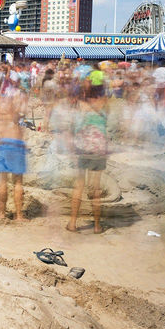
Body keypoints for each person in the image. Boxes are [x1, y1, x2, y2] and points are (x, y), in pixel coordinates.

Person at [67, 83, 109, 234]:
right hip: (99, 150)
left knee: (79, 185)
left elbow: (71, 128)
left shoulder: (79, 107)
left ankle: (72, 224)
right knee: (96, 188)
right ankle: (97, 226)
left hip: (83, 149)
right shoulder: (104, 107)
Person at [0, 88, 28, 221]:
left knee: (2, 181)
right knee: (18, 182)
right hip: (16, 142)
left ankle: (2, 213)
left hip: (2, 143)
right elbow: (23, 111)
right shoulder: (15, 109)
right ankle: (19, 215)